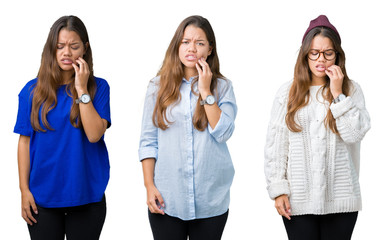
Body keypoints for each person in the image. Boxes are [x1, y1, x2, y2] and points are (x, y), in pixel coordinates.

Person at [264, 15, 371, 240]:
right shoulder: (287, 93)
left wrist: (337, 93)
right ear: (305, 55)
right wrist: (278, 189)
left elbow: (354, 134)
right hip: (298, 203)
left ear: (337, 55)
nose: (320, 59)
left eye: (328, 53)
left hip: (342, 202)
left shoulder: (351, 90)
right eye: (314, 53)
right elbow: (276, 146)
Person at [139, 15, 237, 240]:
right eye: (185, 42)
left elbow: (223, 133)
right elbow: (148, 141)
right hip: (167, 198)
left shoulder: (222, 87)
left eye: (200, 43)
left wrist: (205, 91)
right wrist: (149, 185)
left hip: (211, 199)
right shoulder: (157, 87)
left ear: (210, 49)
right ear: (177, 46)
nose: (192, 48)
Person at [14, 15, 111, 240]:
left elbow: (95, 134)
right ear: (52, 49)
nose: (66, 52)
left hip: (87, 196)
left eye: (73, 46)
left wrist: (81, 88)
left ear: (85, 48)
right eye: (60, 46)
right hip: (42, 198)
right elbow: (24, 142)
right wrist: (24, 190)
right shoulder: (31, 91)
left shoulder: (99, 88)